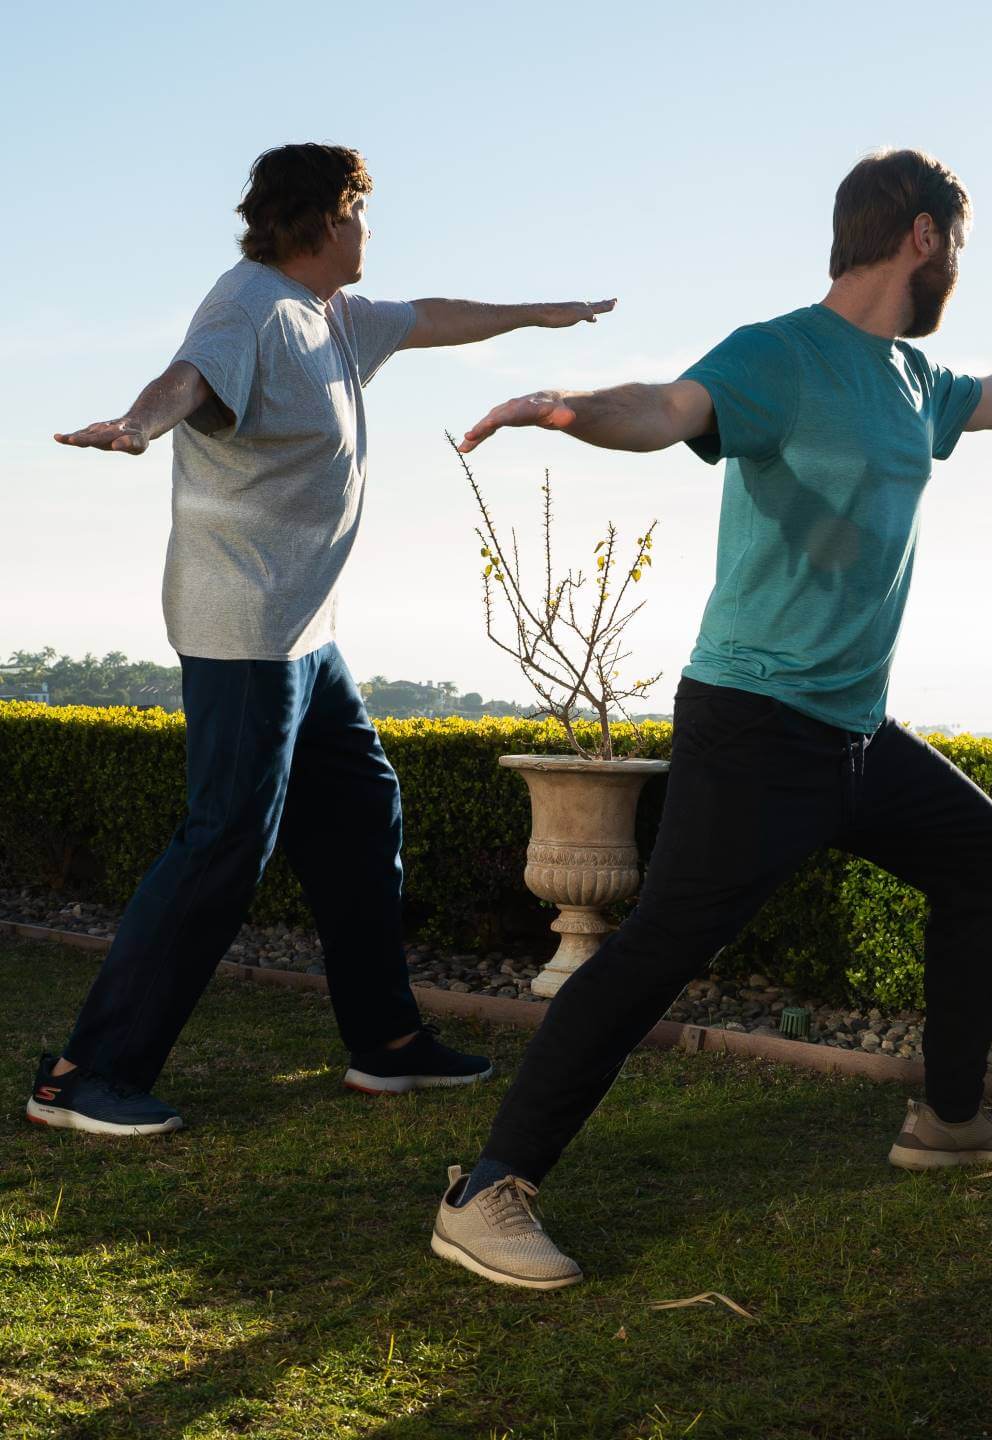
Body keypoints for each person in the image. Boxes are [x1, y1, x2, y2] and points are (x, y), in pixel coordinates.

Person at [430, 147, 992, 1290]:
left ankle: (949, 1115)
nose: (958, 267)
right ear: (921, 235)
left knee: (981, 848)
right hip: (753, 725)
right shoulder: (777, 353)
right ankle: (486, 1192)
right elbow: (668, 406)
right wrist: (575, 410)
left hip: (856, 737)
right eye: (957, 245)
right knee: (652, 956)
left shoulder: (913, 381)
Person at [28, 142, 615, 1137]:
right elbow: (190, 380)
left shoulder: (331, 314)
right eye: (360, 212)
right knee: (225, 843)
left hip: (308, 633)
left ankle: (386, 1043)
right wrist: (136, 424)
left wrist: (533, 313)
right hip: (244, 629)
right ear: (322, 219)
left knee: (358, 808)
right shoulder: (250, 308)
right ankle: (86, 1074)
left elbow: (429, 316)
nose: (369, 230)